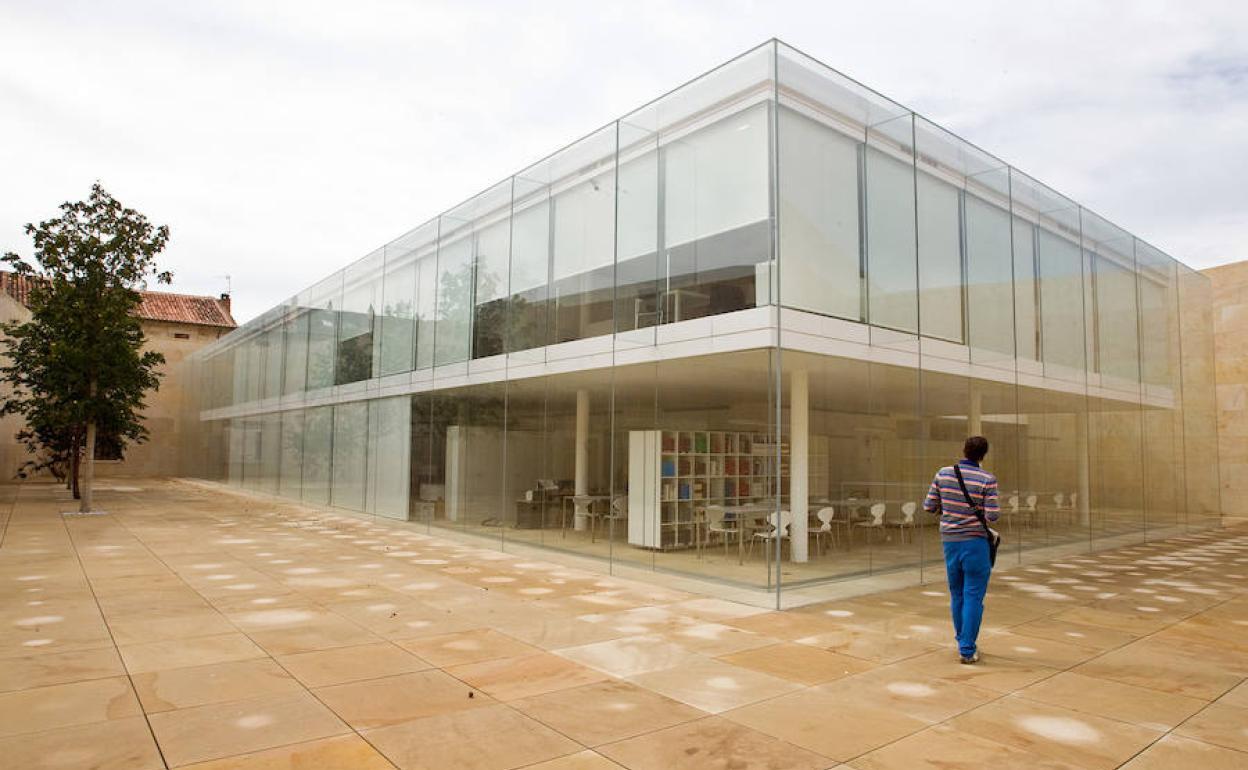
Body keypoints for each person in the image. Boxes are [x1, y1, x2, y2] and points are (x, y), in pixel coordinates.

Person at [923, 436, 999, 664]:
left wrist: (949, 510)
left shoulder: (943, 473)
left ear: (964, 450)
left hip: (950, 542)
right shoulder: (987, 479)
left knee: (957, 594)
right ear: (984, 455)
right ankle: (967, 648)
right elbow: (993, 515)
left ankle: (961, 639)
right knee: (973, 595)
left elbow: (929, 506)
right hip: (975, 543)